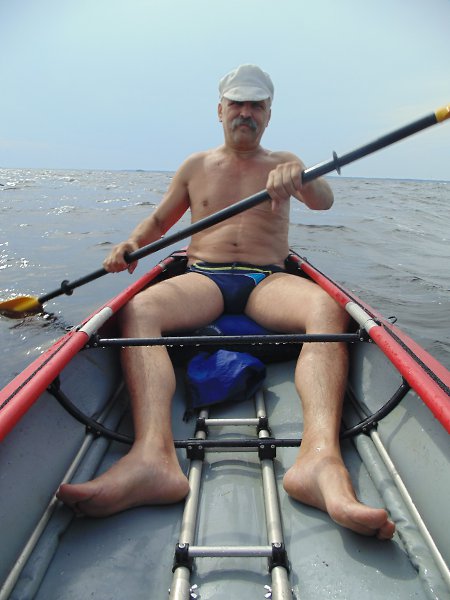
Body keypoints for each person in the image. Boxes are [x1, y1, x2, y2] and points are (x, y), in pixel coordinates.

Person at [57, 65, 395, 540]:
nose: (246, 113)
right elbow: (159, 222)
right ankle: (152, 458)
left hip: (265, 280)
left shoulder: (286, 162)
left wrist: (300, 179)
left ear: (269, 114)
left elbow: (324, 201)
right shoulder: (196, 166)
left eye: (256, 105)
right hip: (205, 278)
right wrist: (130, 244)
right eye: (237, 103)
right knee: (140, 309)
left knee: (326, 308)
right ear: (220, 110)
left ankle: (319, 462)